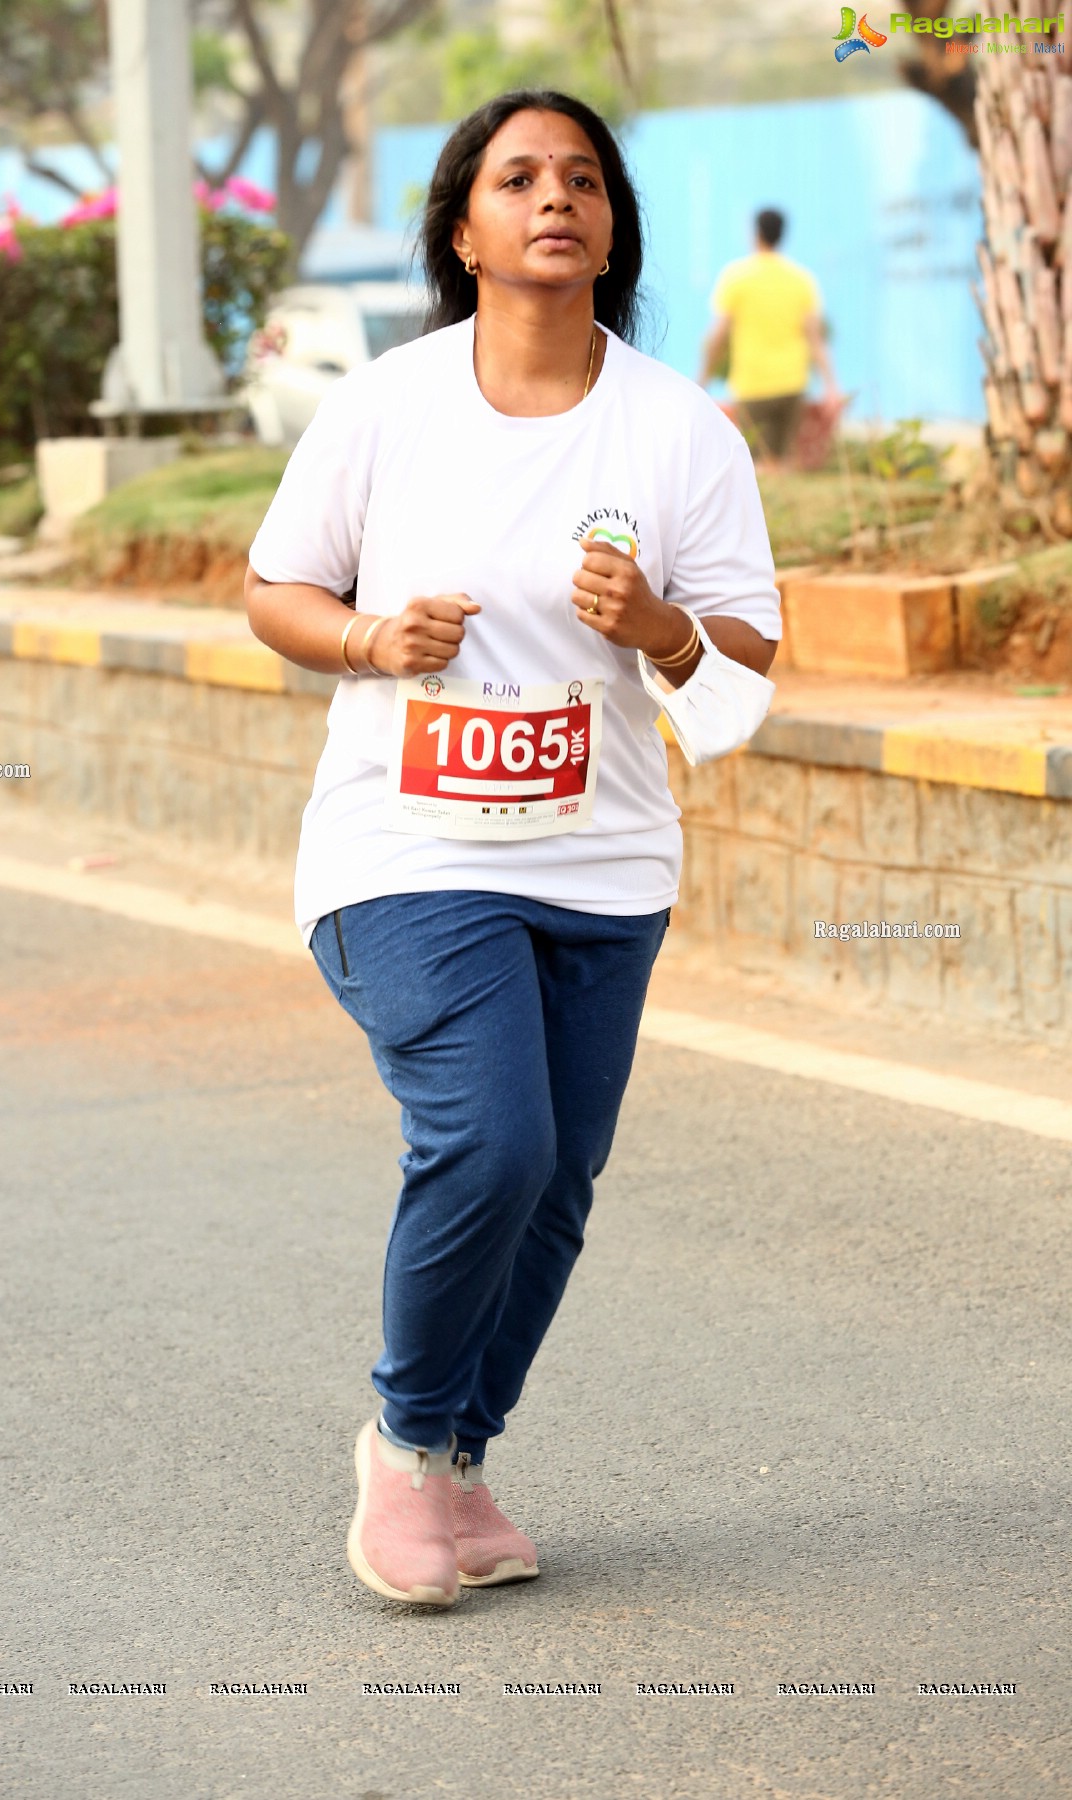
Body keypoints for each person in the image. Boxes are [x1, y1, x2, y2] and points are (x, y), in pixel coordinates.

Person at [244, 89, 782, 1609]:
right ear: (464, 227)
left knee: (557, 1189)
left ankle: (461, 1465)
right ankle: (407, 1443)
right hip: (404, 850)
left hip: (605, 867)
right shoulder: (386, 407)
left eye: (586, 180)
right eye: (520, 177)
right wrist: (364, 635)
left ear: (611, 227)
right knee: (498, 1138)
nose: (558, 199)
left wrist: (662, 627)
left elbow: (744, 671)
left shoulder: (680, 431)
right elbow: (275, 586)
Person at [698, 207, 840, 470]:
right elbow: (815, 339)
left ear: (756, 234)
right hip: (792, 385)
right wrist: (831, 386)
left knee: (753, 467)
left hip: (753, 386)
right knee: (786, 465)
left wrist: (702, 382)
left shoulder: (737, 277)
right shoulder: (801, 279)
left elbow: (718, 337)